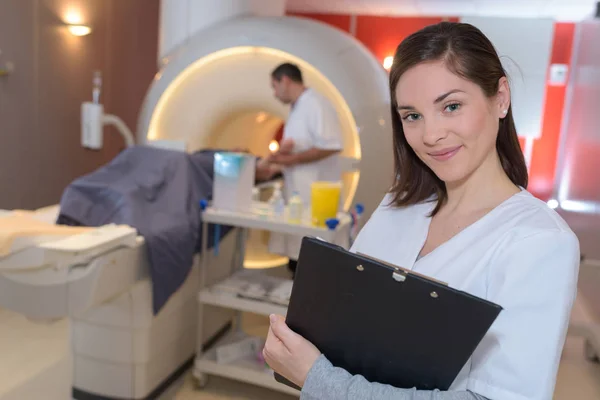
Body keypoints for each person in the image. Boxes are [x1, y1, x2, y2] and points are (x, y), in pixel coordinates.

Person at [263, 22, 580, 400]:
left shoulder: (540, 242)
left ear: (500, 98)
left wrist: (317, 377)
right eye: (412, 116)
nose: (430, 135)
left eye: (451, 106)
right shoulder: (398, 206)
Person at [266, 62, 344, 276]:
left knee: (313, 268)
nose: (274, 94)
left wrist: (293, 160)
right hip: (299, 198)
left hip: (317, 201)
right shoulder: (297, 107)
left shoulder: (316, 104)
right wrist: (284, 154)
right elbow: (305, 144)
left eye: (274, 86)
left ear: (285, 80)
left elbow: (332, 146)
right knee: (296, 262)